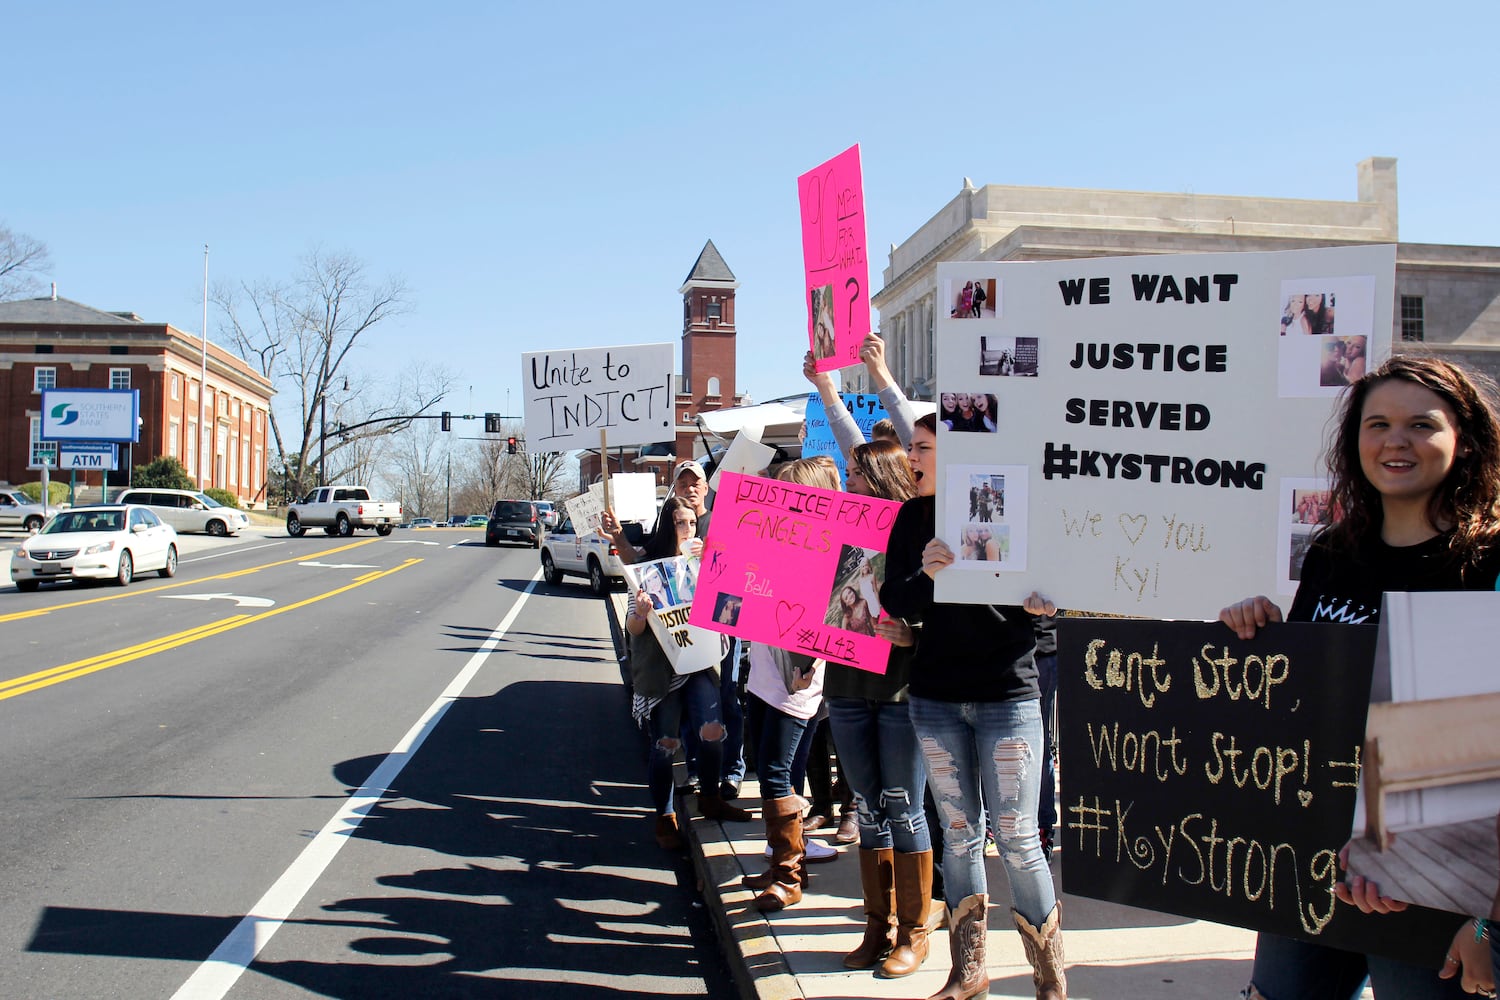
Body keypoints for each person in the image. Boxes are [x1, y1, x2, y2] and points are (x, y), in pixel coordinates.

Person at [1220, 355, 1500, 1000]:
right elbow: (1303, 703)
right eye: (1377, 424)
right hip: (1315, 859)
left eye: (1421, 425)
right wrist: (1260, 637)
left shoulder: (1488, 562)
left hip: (1440, 886)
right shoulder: (1330, 554)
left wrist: (1487, 922)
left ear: (1464, 439)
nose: (1395, 441)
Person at [881, 412, 1068, 1000]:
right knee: (959, 836)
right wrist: (926, 575)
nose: (911, 459)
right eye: (912, 447)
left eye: (923, 448)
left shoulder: (1008, 504)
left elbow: (1049, 590)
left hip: (1007, 697)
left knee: (1017, 837)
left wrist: (1048, 607)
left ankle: (1049, 980)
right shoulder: (911, 518)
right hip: (935, 697)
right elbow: (893, 599)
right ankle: (969, 972)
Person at [825, 437, 940, 978]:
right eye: (847, 472)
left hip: (897, 690)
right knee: (869, 806)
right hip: (845, 686)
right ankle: (877, 926)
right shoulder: (833, 532)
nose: (847, 482)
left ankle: (914, 931)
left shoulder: (915, 531)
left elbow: (940, 602)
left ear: (882, 477)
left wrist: (912, 634)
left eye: (856, 474)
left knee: (904, 806)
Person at [623, 497, 752, 852]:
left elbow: (730, 614)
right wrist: (643, 612)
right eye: (680, 523)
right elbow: (634, 629)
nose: (688, 530)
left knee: (712, 730)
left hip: (699, 664)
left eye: (692, 523)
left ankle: (710, 797)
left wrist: (719, 573)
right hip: (662, 669)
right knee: (665, 744)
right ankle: (665, 816)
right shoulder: (648, 568)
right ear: (667, 527)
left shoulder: (707, 563)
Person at [740, 458, 841, 911]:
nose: (781, 498)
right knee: (766, 770)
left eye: (789, 491)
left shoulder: (831, 549)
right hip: (762, 672)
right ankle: (783, 856)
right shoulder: (776, 539)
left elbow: (835, 615)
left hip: (795, 679)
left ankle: (788, 876)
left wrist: (812, 660)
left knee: (778, 772)